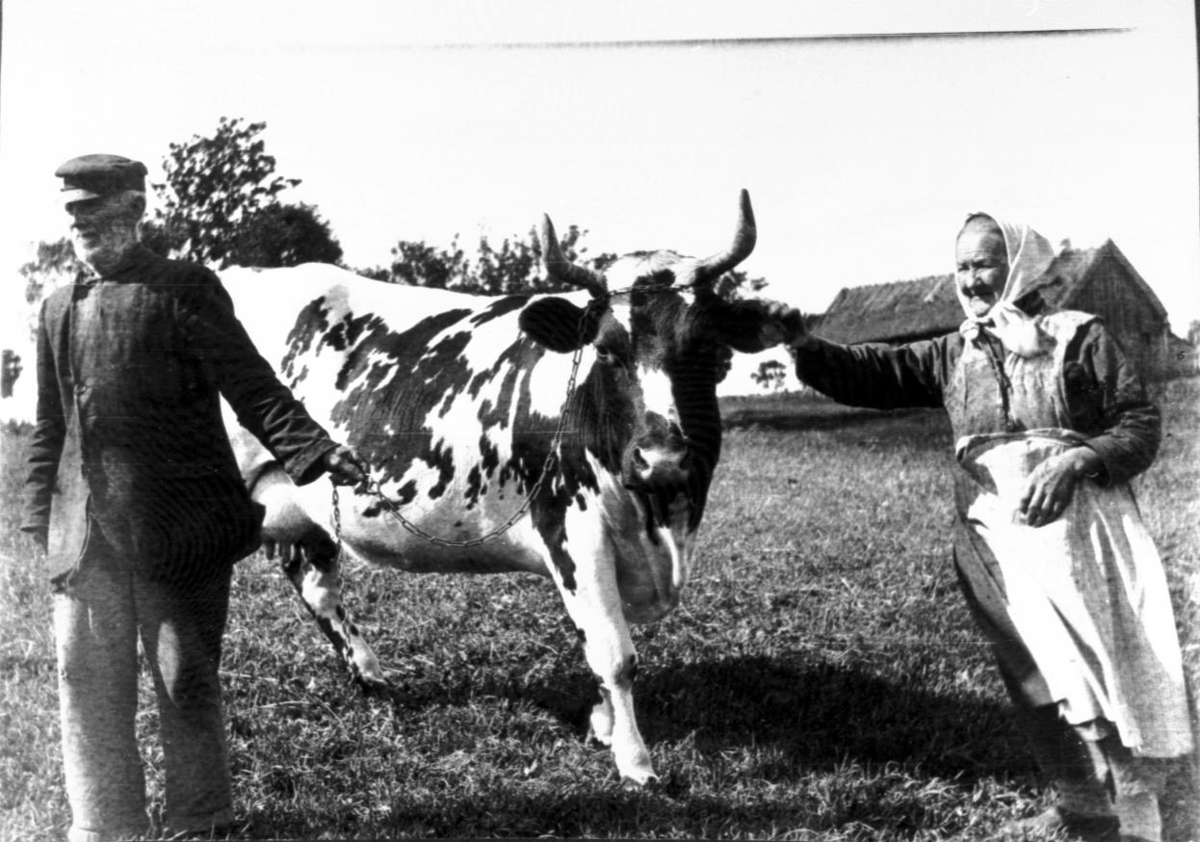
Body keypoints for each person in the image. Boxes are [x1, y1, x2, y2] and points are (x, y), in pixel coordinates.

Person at [773, 213, 1192, 842]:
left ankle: (1139, 820)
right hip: (993, 539)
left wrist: (1076, 461)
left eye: (984, 264)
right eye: (962, 267)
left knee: (1100, 672)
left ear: (1020, 265)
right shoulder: (955, 351)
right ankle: (1081, 804)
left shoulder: (1077, 336)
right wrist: (802, 343)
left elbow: (1139, 423)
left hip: (1079, 536)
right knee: (1033, 672)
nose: (970, 280)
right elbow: (869, 373)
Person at [20, 153, 369, 842]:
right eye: (73, 213)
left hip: (180, 528)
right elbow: (49, 425)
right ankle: (105, 826)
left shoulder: (185, 289)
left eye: (95, 210)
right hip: (86, 538)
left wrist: (314, 449)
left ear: (134, 211)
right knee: (87, 684)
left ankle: (200, 823)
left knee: (184, 680)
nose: (81, 224)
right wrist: (39, 513)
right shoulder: (58, 308)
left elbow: (252, 384)